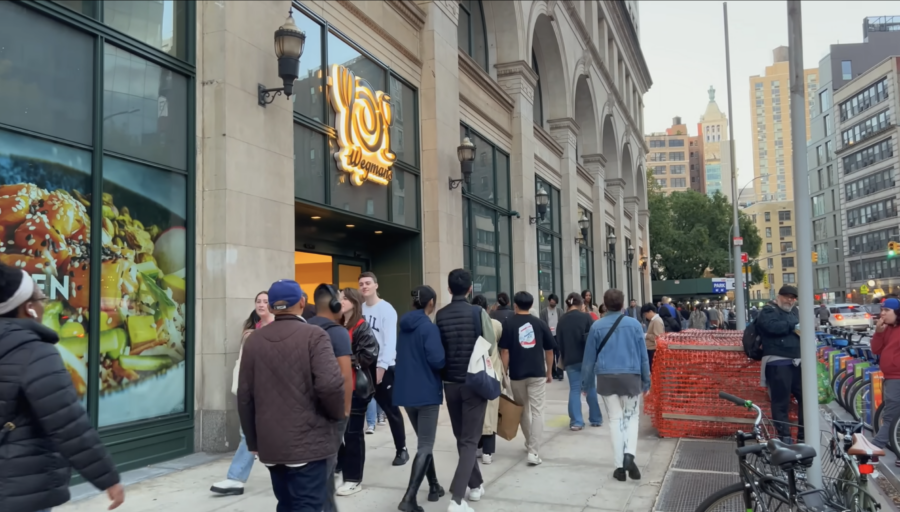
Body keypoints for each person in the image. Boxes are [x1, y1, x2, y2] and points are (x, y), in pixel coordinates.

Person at [0, 266, 125, 512]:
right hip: (22, 489)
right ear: (29, 307)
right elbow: (68, 424)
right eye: (40, 298)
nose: (44, 305)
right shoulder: (35, 353)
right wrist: (107, 478)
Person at [238, 280, 345, 512]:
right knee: (308, 505)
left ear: (273, 307)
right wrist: (337, 415)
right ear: (302, 303)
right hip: (310, 443)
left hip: (271, 444)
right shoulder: (314, 336)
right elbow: (330, 385)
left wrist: (253, 440)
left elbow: (245, 396)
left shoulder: (253, 341)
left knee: (285, 503)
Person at [434, 269, 496, 512]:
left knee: (463, 438)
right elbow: (489, 345)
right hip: (474, 383)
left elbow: (438, 351)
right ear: (470, 289)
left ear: (449, 289)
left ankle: (476, 484)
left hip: (450, 384)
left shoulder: (440, 315)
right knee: (470, 440)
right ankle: (457, 499)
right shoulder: (477, 312)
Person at [581, 289, 651, 482]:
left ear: (604, 304)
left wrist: (585, 384)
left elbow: (588, 360)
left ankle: (619, 467)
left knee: (614, 419)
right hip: (631, 377)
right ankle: (629, 454)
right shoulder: (635, 325)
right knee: (631, 417)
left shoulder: (597, 326)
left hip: (606, 377)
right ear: (623, 305)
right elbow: (643, 356)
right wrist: (647, 380)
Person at [211, 291, 275, 496]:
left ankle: (236, 477)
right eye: (258, 301)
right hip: (250, 388)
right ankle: (236, 478)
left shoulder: (277, 329)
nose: (262, 305)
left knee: (260, 433)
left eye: (266, 301)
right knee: (247, 433)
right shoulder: (251, 330)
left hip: (271, 390)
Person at [394, 285, 446, 512]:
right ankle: (409, 498)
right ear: (430, 302)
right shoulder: (428, 327)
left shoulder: (404, 326)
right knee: (425, 444)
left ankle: (434, 485)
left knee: (425, 443)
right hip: (426, 392)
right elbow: (438, 360)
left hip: (406, 392)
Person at [307, 284, 355, 510]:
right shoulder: (337, 333)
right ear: (335, 304)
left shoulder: (304, 328)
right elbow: (345, 377)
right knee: (326, 470)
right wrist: (344, 413)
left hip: (307, 411)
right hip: (331, 413)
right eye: (341, 299)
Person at [358, 272, 409, 466]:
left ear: (376, 285)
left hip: (383, 367)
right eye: (361, 284)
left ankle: (401, 449)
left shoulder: (386, 309)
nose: (364, 286)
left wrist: (382, 366)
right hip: (362, 365)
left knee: (391, 409)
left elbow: (389, 342)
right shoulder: (360, 309)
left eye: (368, 283)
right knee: (357, 410)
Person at [499, 291, 554, 466]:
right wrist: (549, 371)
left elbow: (505, 351)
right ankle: (533, 450)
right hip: (537, 372)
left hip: (517, 374)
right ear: (531, 305)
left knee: (522, 410)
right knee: (538, 411)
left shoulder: (508, 323)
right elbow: (549, 350)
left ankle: (530, 442)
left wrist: (504, 373)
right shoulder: (539, 323)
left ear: (515, 305)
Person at [335, 287, 379, 496]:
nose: (341, 301)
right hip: (337, 388)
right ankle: (343, 469)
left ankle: (353, 479)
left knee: (353, 434)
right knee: (338, 433)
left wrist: (343, 359)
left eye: (345, 298)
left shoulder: (361, 327)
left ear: (354, 302)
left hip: (355, 388)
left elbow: (369, 355)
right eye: (340, 298)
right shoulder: (337, 325)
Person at [755, 285, 802, 443]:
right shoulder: (769, 311)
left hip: (797, 361)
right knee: (780, 400)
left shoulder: (795, 311)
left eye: (793, 298)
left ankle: (802, 435)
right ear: (779, 296)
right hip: (777, 361)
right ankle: (785, 436)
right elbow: (772, 327)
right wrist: (792, 325)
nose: (790, 300)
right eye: (787, 296)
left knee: (805, 398)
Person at [556, 293, 601, 430]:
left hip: (569, 358)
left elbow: (559, 342)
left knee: (575, 389)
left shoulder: (561, 320)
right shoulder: (586, 317)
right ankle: (595, 418)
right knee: (590, 388)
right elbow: (594, 338)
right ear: (581, 304)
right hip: (586, 359)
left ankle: (576, 421)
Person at [470, 295, 504, 466]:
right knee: (490, 412)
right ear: (487, 308)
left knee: (476, 412)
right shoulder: (495, 325)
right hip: (492, 373)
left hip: (473, 373)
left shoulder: (468, 324)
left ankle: (477, 448)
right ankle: (488, 453)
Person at [872, 298, 900, 453]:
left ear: (897, 312)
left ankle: (875, 447)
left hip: (897, 376)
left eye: (886, 310)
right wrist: (878, 333)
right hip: (890, 376)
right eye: (882, 309)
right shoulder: (886, 328)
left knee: (891, 414)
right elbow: (876, 350)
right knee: (894, 414)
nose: (882, 313)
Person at [540, 294, 564, 381]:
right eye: (551, 300)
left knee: (559, 354)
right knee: (550, 354)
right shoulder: (544, 311)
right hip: (549, 335)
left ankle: (560, 372)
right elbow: (542, 323)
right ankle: (553, 372)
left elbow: (562, 322)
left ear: (556, 301)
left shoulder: (559, 311)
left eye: (554, 300)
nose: (552, 301)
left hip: (558, 335)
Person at [641, 303, 664, 370]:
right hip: (651, 348)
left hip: (653, 349)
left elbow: (658, 337)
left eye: (646, 314)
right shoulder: (653, 320)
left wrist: (646, 335)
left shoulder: (656, 321)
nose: (645, 316)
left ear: (651, 311)